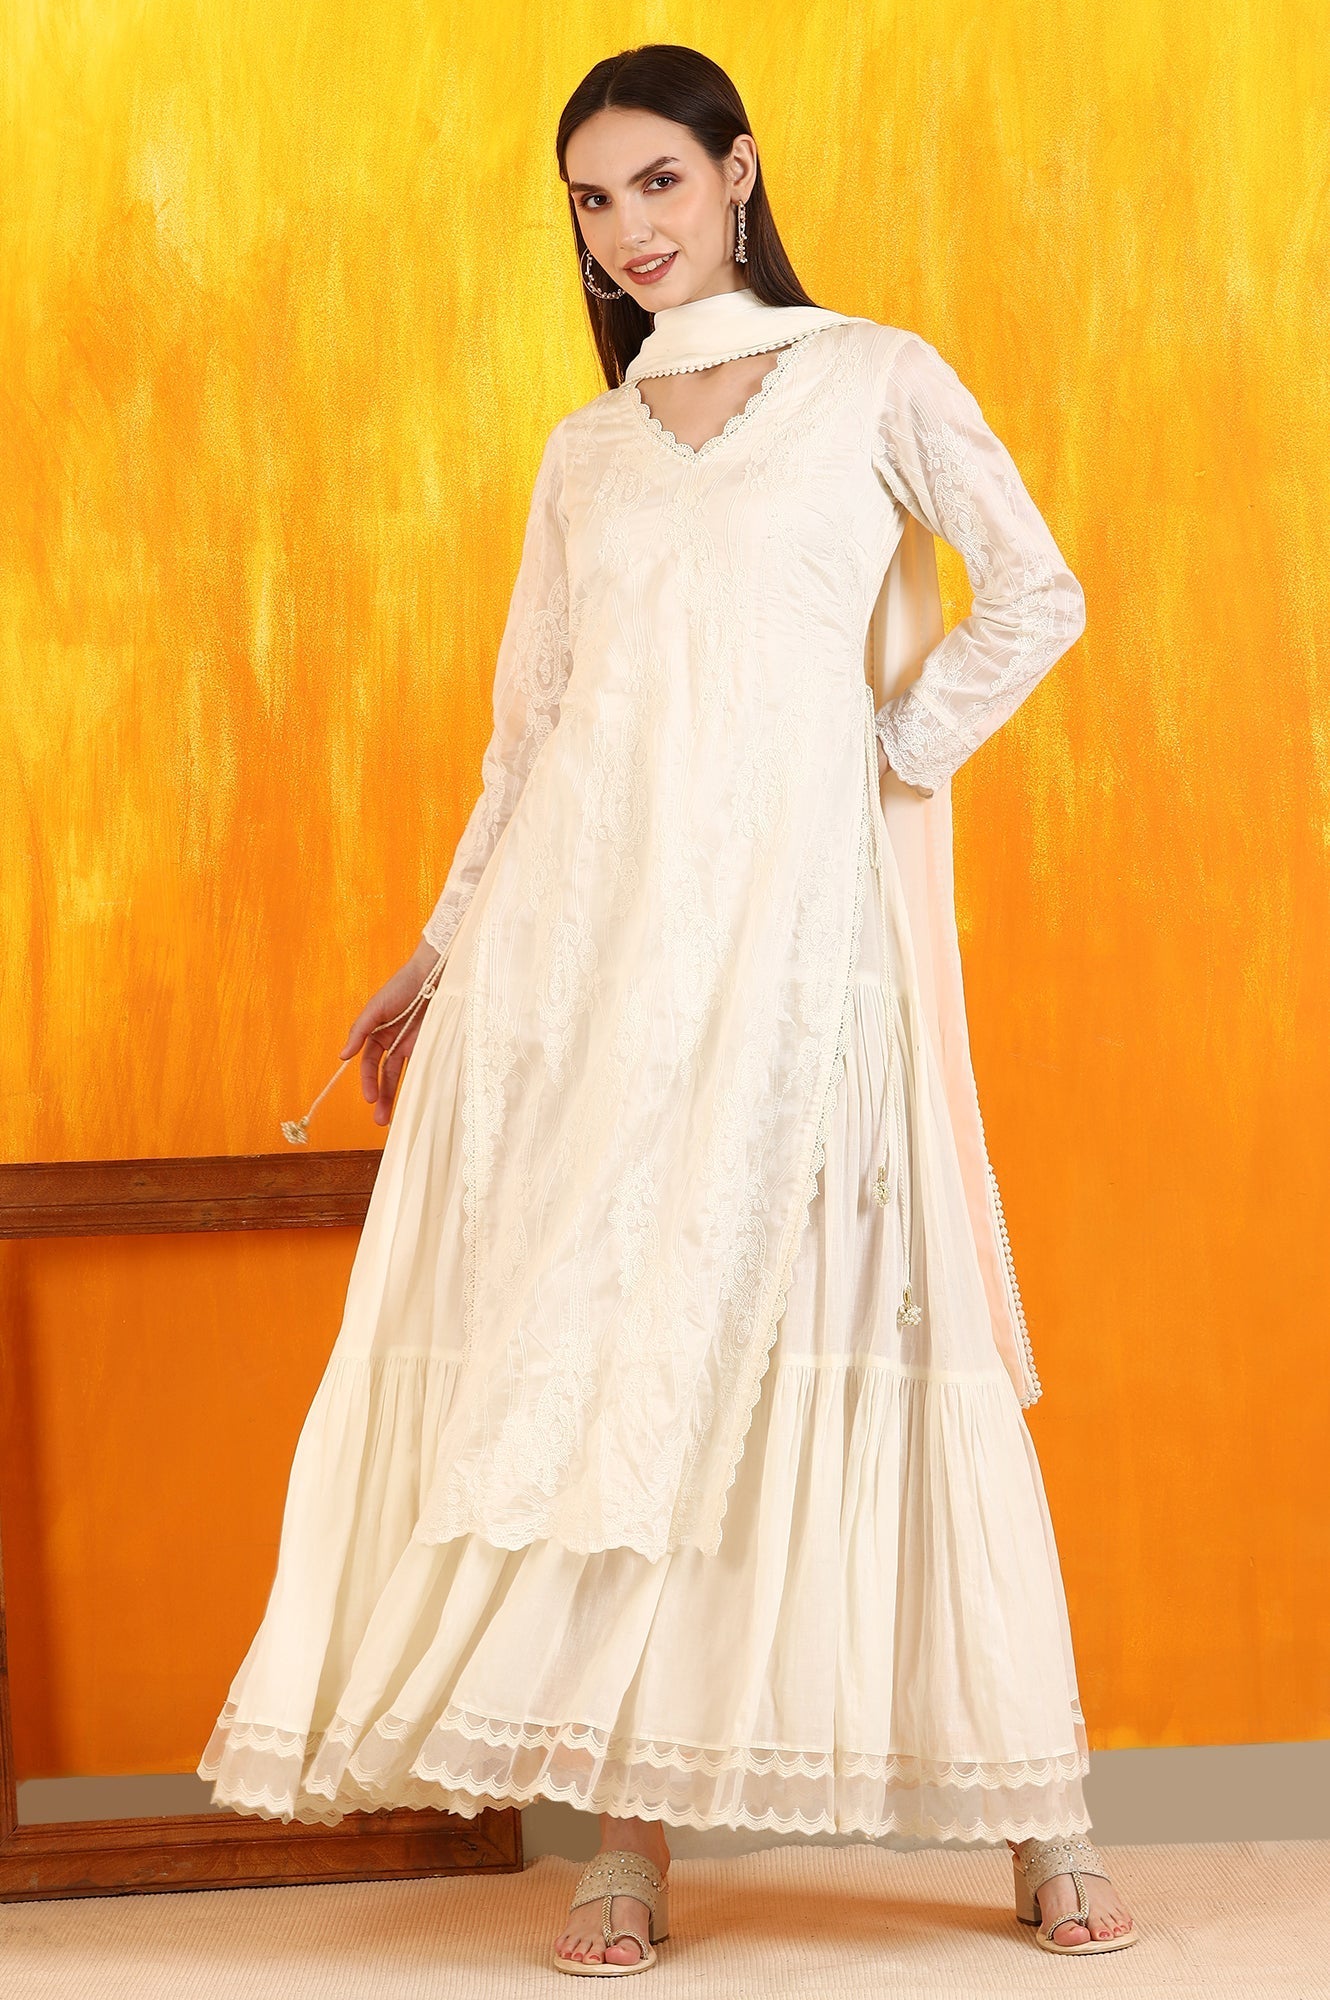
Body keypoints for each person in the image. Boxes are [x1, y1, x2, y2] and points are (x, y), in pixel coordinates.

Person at [199, 42, 1140, 1976]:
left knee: (880, 1321)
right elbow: (533, 733)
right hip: (601, 965)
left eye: (655, 181)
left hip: (806, 953)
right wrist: (439, 951)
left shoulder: (871, 377)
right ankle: (620, 1842)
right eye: (591, 198)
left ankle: (1039, 1810)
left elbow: (1033, 593)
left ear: (735, 173)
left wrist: (878, 757)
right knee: (623, 1359)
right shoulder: (589, 454)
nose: (627, 229)